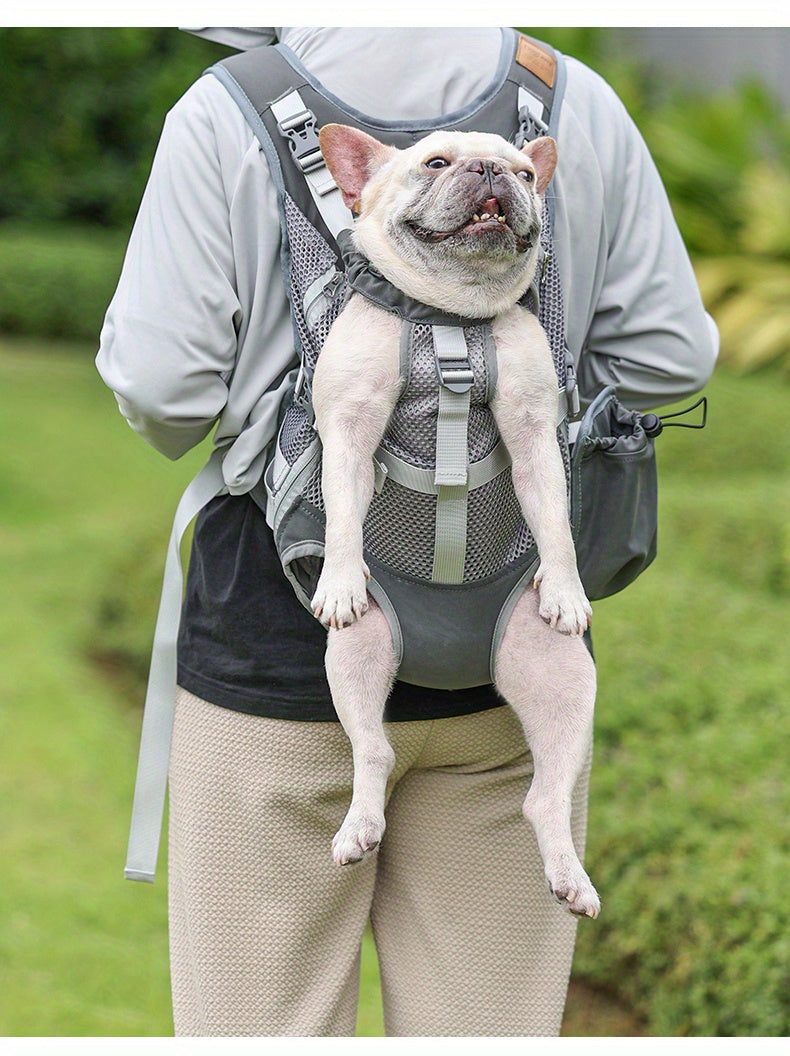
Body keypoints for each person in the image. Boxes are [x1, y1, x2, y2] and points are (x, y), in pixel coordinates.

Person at [96, 27, 717, 1037]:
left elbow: (164, 388)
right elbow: (670, 360)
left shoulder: (225, 108)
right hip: (511, 644)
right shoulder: (576, 100)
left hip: (280, 638)